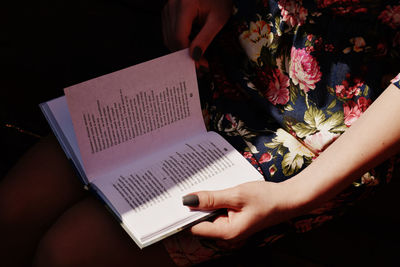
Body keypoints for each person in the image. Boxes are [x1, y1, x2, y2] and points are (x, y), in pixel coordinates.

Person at [1, 0, 400, 266]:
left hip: (320, 137)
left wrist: (296, 196)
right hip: (215, 60)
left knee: (67, 252)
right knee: (13, 209)